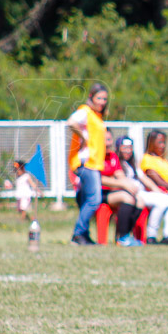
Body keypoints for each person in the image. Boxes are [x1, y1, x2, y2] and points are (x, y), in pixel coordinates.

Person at [67, 83, 109, 245]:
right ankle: (78, 234)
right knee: (94, 199)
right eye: (99, 98)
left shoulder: (96, 115)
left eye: (105, 99)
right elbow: (71, 122)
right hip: (86, 162)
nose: (102, 102)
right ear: (91, 97)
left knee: (87, 200)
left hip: (94, 163)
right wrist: (83, 138)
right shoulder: (85, 111)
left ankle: (83, 235)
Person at [117, 135, 168, 245]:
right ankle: (151, 236)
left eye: (130, 148)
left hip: (141, 193)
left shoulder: (133, 164)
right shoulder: (118, 163)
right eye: (124, 148)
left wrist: (156, 190)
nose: (127, 151)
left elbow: (144, 179)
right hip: (132, 193)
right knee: (161, 203)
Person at [100, 129, 144, 246]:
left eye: (109, 139)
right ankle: (122, 238)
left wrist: (129, 185)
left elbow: (120, 174)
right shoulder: (95, 157)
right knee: (127, 198)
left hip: (113, 193)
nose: (107, 143)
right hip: (98, 194)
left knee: (139, 201)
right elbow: (99, 179)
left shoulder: (113, 156)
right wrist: (122, 184)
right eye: (104, 140)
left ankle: (126, 235)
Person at [138, 131, 168, 244]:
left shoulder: (163, 160)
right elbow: (158, 181)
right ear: (151, 143)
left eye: (164, 143)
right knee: (163, 202)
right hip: (151, 192)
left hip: (166, 193)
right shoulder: (147, 159)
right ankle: (151, 236)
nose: (163, 145)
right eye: (159, 142)